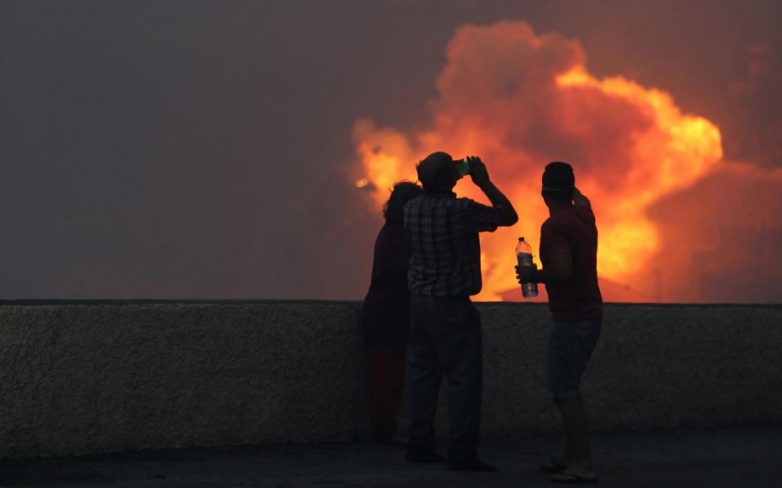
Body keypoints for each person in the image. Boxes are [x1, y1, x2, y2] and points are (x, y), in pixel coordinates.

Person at [404, 152, 517, 472]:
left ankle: (420, 444)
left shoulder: (411, 208)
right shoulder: (460, 211)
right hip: (451, 305)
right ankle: (462, 452)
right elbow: (508, 216)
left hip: (419, 301)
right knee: (463, 379)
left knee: (423, 377)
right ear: (452, 178)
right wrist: (484, 181)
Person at [516, 161, 602, 484]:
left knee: (565, 391)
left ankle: (582, 464)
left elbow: (562, 271)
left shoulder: (554, 227)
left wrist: (532, 274)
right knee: (570, 388)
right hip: (590, 314)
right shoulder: (584, 214)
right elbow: (582, 197)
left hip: (572, 318)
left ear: (542, 192)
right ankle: (569, 456)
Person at [361, 181, 423, 443]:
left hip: (385, 311)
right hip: (389, 313)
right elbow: (405, 271)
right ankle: (384, 428)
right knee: (388, 373)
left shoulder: (390, 231)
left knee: (388, 372)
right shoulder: (399, 235)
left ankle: (386, 426)